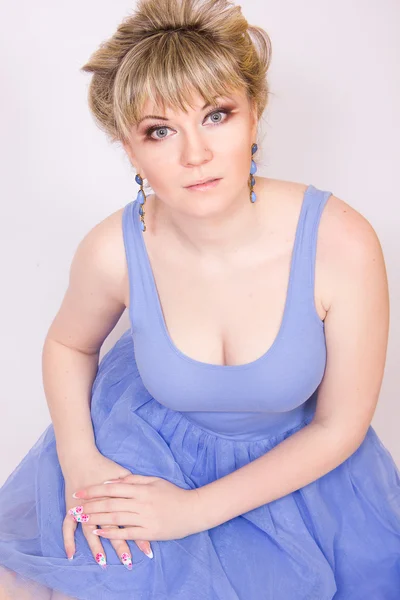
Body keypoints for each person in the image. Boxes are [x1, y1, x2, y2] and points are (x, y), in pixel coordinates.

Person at [0, 0, 399, 598]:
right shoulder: (113, 249)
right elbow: (67, 343)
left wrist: (191, 512)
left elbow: (340, 425)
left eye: (216, 115)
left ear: (254, 113)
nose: (195, 155)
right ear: (129, 150)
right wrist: (80, 457)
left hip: (299, 480)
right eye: (160, 131)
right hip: (149, 452)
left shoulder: (340, 242)